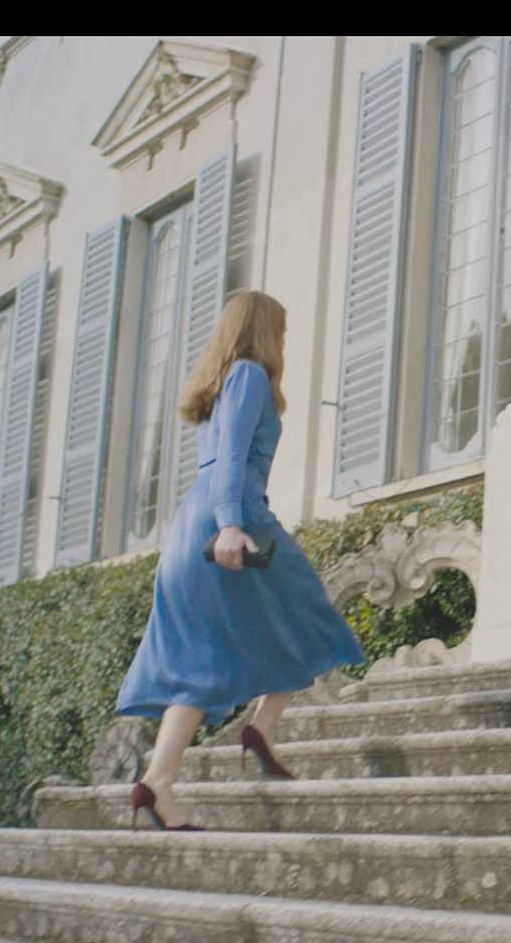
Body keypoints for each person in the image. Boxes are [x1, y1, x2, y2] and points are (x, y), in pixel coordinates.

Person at [115, 291, 363, 830]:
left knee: (198, 660)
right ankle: (263, 726)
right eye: (282, 332)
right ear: (265, 331)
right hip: (235, 520)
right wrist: (231, 524)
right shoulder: (249, 375)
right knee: (312, 618)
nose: (284, 343)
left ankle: (157, 782)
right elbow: (232, 458)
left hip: (190, 528)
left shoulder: (221, 383)